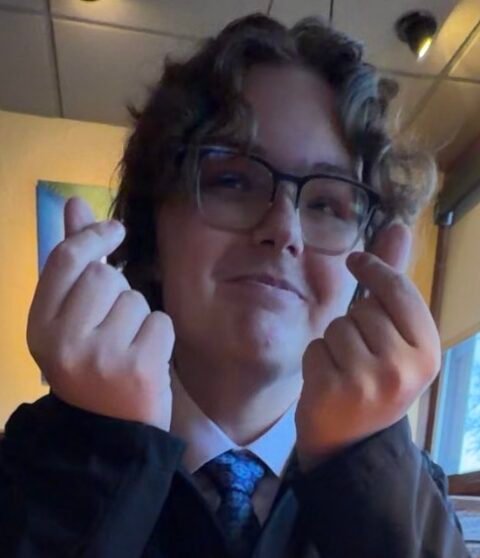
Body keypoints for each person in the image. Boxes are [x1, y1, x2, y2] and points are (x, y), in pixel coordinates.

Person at [0, 14, 470, 558]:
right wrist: (99, 451)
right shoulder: (32, 468)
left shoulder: (412, 500)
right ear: (153, 232)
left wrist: (364, 475)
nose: (284, 229)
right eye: (232, 180)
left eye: (326, 204)